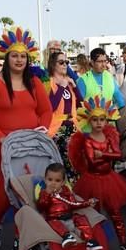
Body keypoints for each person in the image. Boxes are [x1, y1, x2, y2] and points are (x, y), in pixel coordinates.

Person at [0, 27, 52, 250]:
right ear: (7, 58)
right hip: (0, 146)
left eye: (23, 56)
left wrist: (42, 129)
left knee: (30, 193)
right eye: (14, 55)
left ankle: (21, 233)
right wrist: (2, 137)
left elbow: (45, 109)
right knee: (3, 195)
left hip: (30, 146)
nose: (19, 60)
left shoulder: (34, 82)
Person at [69, 96, 126, 250]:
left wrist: (103, 154)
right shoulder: (87, 141)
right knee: (93, 214)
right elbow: (93, 161)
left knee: (115, 213)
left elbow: (118, 154)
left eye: (102, 119)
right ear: (89, 121)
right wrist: (108, 154)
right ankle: (93, 241)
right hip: (92, 180)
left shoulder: (110, 136)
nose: (99, 123)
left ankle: (123, 242)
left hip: (109, 180)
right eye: (95, 120)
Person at [36, 163, 103, 250]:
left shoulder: (66, 191)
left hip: (69, 217)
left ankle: (90, 240)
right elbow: (41, 207)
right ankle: (67, 237)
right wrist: (47, 195)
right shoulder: (44, 193)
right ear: (45, 180)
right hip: (56, 220)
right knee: (52, 222)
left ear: (63, 182)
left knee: (81, 218)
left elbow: (73, 203)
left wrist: (87, 203)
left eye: (57, 180)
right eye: (50, 180)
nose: (53, 183)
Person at [47, 50, 83, 182]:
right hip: (57, 128)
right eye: (61, 62)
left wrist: (75, 87)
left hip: (72, 125)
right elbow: (50, 106)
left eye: (66, 62)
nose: (65, 65)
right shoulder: (49, 83)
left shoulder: (68, 83)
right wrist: (61, 87)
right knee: (69, 149)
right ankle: (70, 183)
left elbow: (80, 103)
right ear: (53, 65)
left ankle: (79, 182)